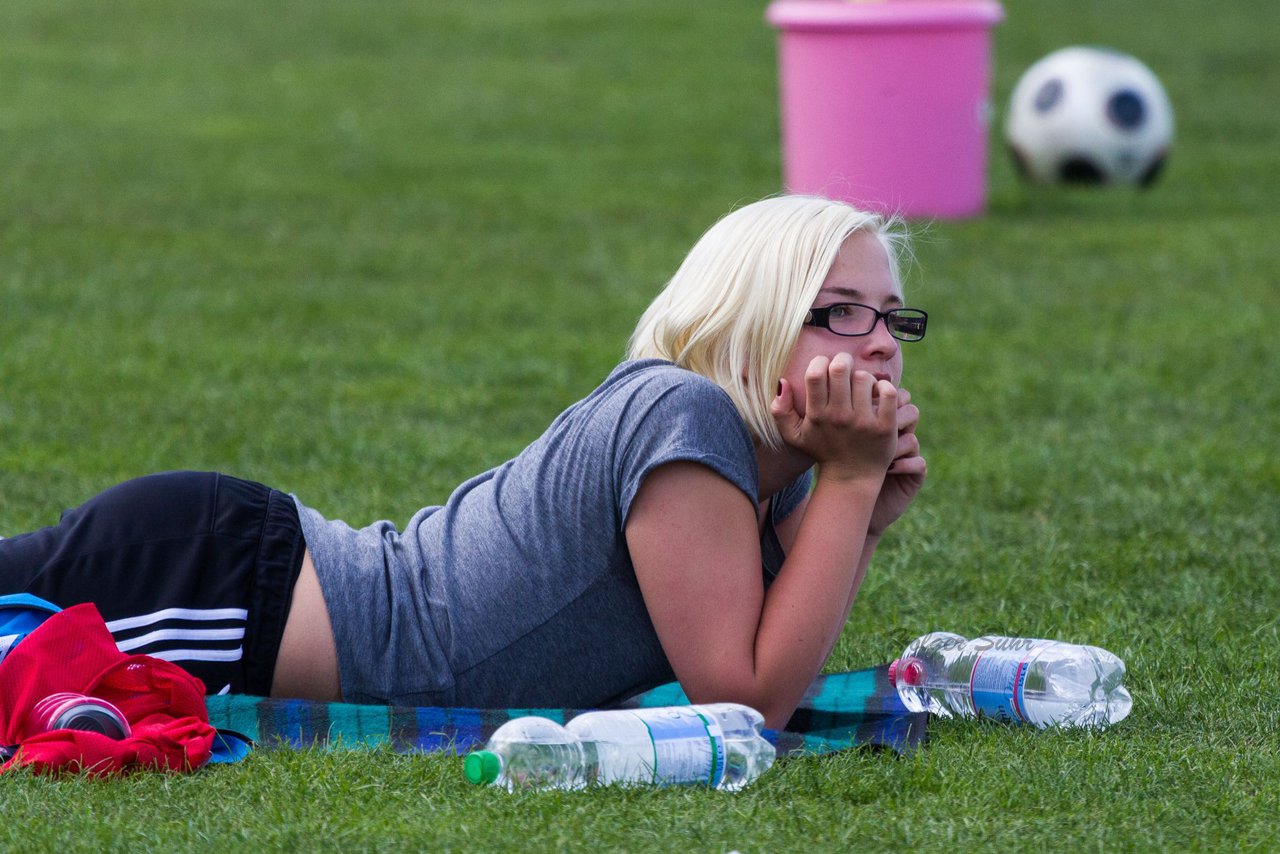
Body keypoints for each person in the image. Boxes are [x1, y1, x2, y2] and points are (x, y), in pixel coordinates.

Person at [0, 194, 926, 728]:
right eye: (840, 311)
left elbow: (771, 657)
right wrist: (849, 484)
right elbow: (746, 701)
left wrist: (858, 515)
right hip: (221, 591)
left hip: (238, 572)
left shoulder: (778, 474)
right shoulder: (680, 414)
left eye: (893, 317)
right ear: (751, 319)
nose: (881, 342)